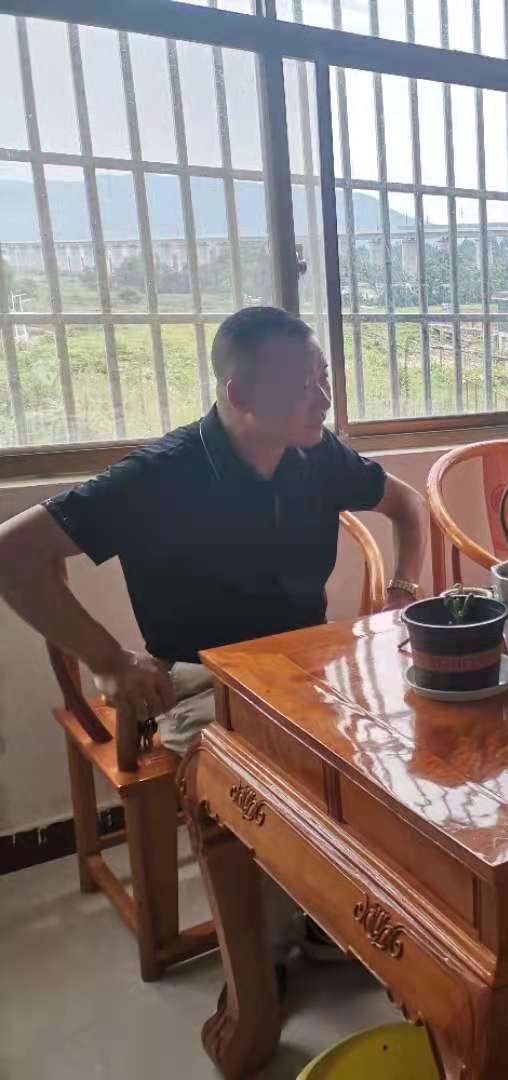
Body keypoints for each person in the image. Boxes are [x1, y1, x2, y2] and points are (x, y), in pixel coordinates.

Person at [0, 306, 428, 967]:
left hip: (306, 666)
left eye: (324, 378)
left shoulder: (317, 455)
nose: (324, 398)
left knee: (415, 730)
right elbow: (13, 554)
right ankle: (264, 963)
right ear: (239, 393)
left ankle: (352, 916)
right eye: (304, 384)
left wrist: (402, 589)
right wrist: (108, 659)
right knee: (260, 779)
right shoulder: (158, 476)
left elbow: (408, 505)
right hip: (202, 679)